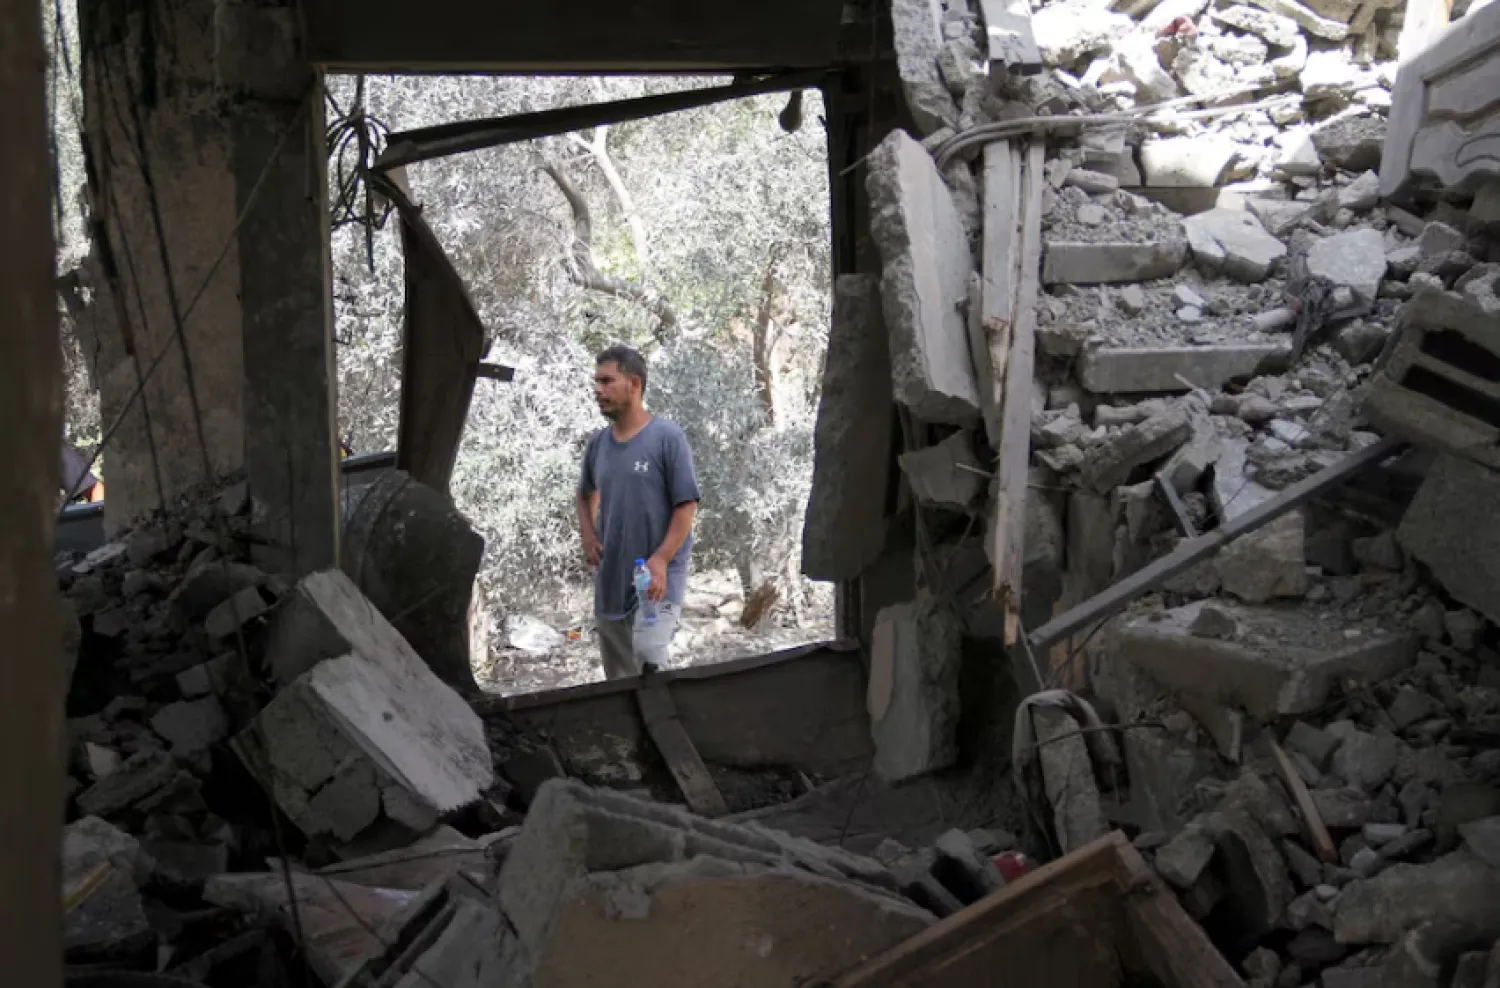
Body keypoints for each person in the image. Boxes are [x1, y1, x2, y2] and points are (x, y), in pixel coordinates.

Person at [576, 345, 700, 679]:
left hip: (657, 581)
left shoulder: (667, 438)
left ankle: (669, 730)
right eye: (596, 382)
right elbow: (584, 493)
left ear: (634, 384)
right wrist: (588, 535)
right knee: (619, 680)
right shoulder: (598, 444)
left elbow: (686, 506)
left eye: (606, 381)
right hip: (611, 580)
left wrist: (660, 559)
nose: (597, 390)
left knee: (649, 658)